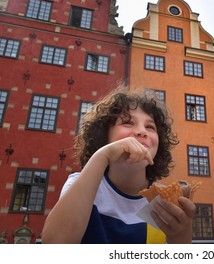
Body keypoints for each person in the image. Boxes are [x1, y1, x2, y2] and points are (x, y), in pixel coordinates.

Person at [42, 86, 195, 244]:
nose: (142, 131)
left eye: (150, 127)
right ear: (104, 136)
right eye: (128, 123)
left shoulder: (164, 202)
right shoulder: (80, 184)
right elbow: (55, 244)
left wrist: (181, 236)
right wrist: (102, 156)